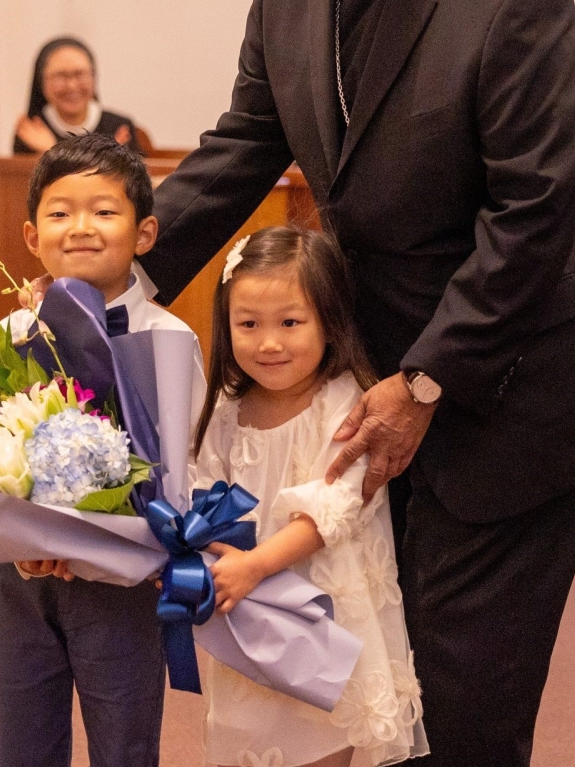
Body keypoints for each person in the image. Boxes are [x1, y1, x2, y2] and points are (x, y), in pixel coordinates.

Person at [138, 0, 575, 767]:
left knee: (465, 674)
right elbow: (245, 142)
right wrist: (114, 284)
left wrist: (425, 380)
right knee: (390, 650)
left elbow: (533, 215)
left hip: (529, 371)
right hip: (397, 355)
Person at [0, 134, 205, 767]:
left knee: (125, 743)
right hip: (18, 580)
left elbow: (183, 469)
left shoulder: (168, 338)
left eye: (105, 211)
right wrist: (21, 543)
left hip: (121, 586)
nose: (80, 228)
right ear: (32, 237)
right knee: (22, 740)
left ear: (145, 233)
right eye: (59, 213)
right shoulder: (10, 335)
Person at [194, 226, 428, 767]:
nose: (268, 342)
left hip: (327, 613)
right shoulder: (226, 412)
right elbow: (201, 490)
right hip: (250, 616)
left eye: (290, 322)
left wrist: (254, 565)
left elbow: (336, 507)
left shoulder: (344, 402)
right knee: (251, 737)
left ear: (328, 322)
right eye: (247, 324)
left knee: (323, 740)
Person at [14, 37, 143, 155]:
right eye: (60, 76)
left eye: (80, 74)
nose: (71, 86)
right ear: (41, 82)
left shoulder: (118, 127)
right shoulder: (33, 131)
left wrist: (51, 150)